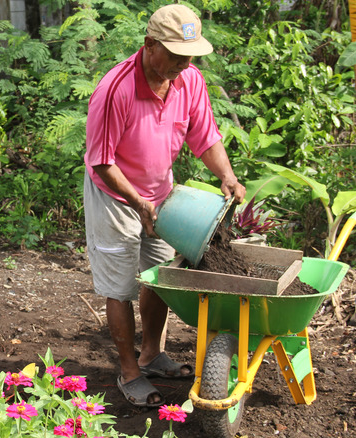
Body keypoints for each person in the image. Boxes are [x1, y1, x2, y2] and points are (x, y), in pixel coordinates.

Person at [83, 3, 246, 407]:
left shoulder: (189, 80)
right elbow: (102, 161)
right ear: (149, 45)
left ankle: (151, 353)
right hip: (116, 196)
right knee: (119, 287)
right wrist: (139, 204)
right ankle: (129, 371)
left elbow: (205, 137)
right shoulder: (115, 89)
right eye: (175, 54)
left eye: (189, 55)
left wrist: (227, 175)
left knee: (158, 276)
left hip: (161, 196)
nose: (184, 63)